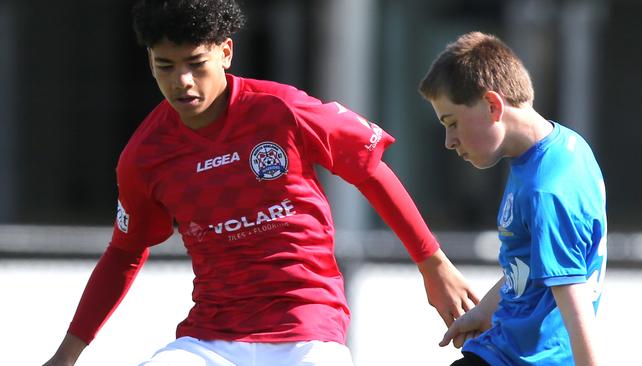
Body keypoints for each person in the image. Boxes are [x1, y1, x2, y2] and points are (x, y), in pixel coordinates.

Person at [43, 1, 478, 365]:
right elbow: (124, 251)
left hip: (307, 329)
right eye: (166, 66)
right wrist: (67, 354)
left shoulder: (281, 109)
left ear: (226, 53)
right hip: (211, 339)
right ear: (150, 63)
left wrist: (433, 264)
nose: (183, 81)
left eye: (196, 64)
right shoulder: (145, 156)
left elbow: (368, 169)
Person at [419, 31, 607, 366]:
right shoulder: (551, 152)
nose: (449, 141)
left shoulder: (548, 189)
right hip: (500, 348)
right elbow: (532, 267)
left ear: (493, 106)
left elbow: (576, 305)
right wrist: (485, 311)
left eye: (453, 123)